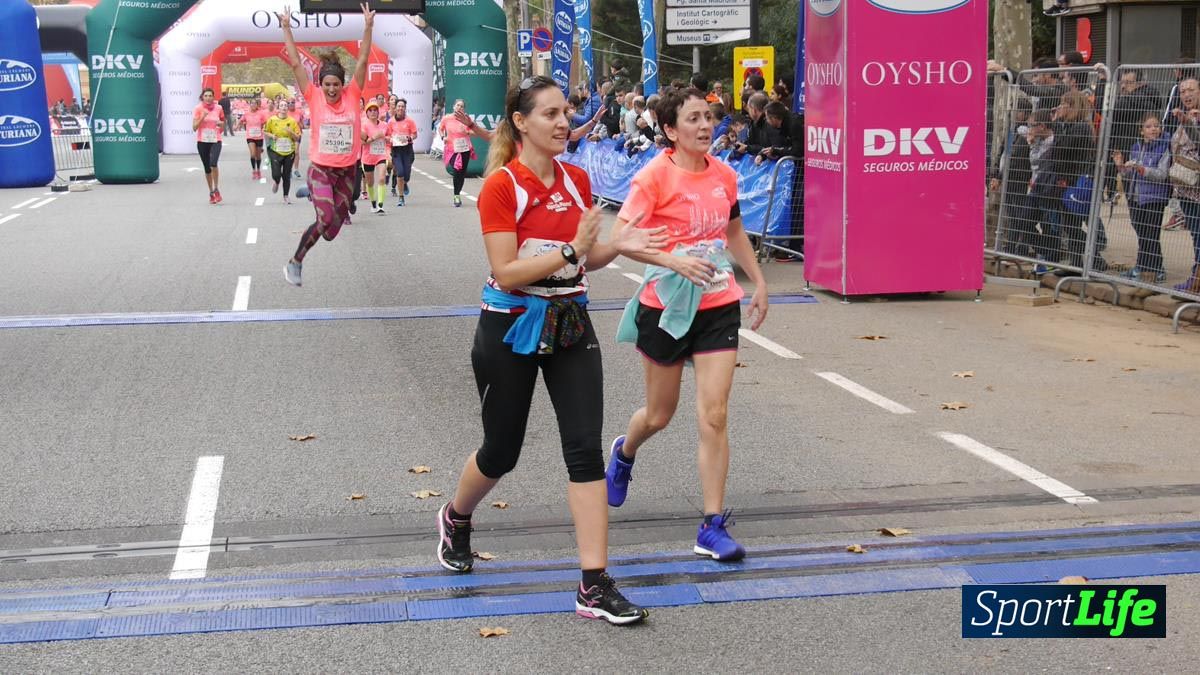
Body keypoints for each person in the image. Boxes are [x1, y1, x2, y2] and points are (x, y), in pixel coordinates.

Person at [436, 75, 665, 625]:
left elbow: (584, 261)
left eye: (566, 112)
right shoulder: (500, 185)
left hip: (569, 322)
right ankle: (456, 516)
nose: (564, 123)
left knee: (584, 450)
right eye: (551, 114)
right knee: (501, 452)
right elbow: (507, 270)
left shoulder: (578, 179)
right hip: (510, 324)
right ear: (521, 122)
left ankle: (594, 584)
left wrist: (619, 246)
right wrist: (571, 249)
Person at [605, 87, 770, 562]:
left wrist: (757, 281)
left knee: (714, 414)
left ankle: (711, 525)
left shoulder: (725, 175)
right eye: (693, 119)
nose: (705, 126)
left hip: (718, 304)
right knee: (659, 415)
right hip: (666, 306)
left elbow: (734, 230)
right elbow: (621, 238)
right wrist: (673, 262)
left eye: (708, 117)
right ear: (671, 130)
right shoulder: (654, 177)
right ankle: (625, 450)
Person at [279, 2, 374, 287]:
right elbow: (296, 63)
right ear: (320, 84)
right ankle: (295, 262)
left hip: (346, 171)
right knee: (325, 219)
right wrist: (286, 28)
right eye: (327, 84)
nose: (332, 89)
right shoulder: (313, 96)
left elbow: (363, 61)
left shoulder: (352, 93)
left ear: (343, 85)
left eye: (336, 84)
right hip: (321, 168)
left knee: (332, 231)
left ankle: (313, 193)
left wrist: (368, 28)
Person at [1114, 112, 1171, 284]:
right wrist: (1121, 166)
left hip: (1154, 197)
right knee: (1141, 233)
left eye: (1156, 126)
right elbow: (1129, 173)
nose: (1153, 129)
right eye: (1148, 126)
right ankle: (1142, 265)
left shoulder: (1165, 147)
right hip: (1135, 196)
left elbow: (1162, 174)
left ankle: (1156, 269)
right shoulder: (1136, 147)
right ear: (1141, 131)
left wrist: (1141, 169)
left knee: (1151, 234)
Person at [1168, 78, 1200, 294]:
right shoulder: (1182, 118)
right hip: (1185, 189)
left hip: (1198, 190)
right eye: (1182, 91)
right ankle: (1196, 279)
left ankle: (1195, 281)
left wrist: (1189, 123)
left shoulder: (1193, 119)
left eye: (1191, 90)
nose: (1186, 94)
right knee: (1196, 236)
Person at [439, 99, 489, 207]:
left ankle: (458, 193)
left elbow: (474, 133)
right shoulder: (447, 118)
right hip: (452, 149)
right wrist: (443, 137)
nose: (459, 107)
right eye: (458, 105)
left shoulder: (466, 119)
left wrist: (469, 132)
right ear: (453, 106)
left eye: (462, 106)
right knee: (456, 170)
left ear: (464, 109)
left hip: (464, 148)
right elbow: (440, 128)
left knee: (461, 173)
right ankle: (456, 195)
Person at [264, 102, 302, 204]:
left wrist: (291, 133)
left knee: (286, 175)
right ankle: (276, 181)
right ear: (278, 108)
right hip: (276, 150)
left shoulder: (292, 121)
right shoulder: (272, 120)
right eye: (281, 106)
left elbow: (298, 137)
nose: (284, 107)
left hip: (289, 151)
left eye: (285, 106)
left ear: (287, 109)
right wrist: (272, 136)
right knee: (276, 174)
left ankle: (286, 196)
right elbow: (265, 131)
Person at [193, 88, 225, 204]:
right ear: (202, 97)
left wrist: (221, 124)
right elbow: (194, 127)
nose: (208, 98)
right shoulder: (198, 108)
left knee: (213, 163)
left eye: (210, 95)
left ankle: (216, 188)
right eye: (206, 96)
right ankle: (211, 192)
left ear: (213, 97)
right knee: (207, 168)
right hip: (202, 141)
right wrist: (202, 116)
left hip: (215, 139)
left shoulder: (219, 108)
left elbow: (223, 123)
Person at [387, 98, 418, 206]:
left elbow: (415, 134)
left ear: (405, 108)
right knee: (400, 173)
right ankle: (401, 198)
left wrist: (409, 138)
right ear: (395, 108)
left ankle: (405, 183)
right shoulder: (391, 121)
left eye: (402, 106)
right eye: (399, 106)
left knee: (407, 175)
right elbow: (387, 135)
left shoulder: (410, 121)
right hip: (396, 150)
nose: (400, 108)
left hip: (407, 149)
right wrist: (390, 139)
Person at [360, 101, 390, 214]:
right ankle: (373, 203)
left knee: (382, 178)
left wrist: (386, 138)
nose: (373, 112)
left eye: (375, 110)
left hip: (381, 155)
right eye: (370, 110)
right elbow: (362, 142)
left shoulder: (384, 125)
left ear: (378, 112)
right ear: (367, 113)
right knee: (370, 182)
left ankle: (380, 205)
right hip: (368, 157)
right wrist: (374, 137)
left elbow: (389, 138)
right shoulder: (364, 125)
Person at [239, 98, 270, 180]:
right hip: (250, 137)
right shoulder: (246, 114)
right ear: (250, 105)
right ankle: (254, 170)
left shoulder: (261, 114)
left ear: (257, 105)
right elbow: (241, 120)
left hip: (259, 136)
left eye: (255, 103)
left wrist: (264, 128)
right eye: (252, 103)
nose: (253, 105)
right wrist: (237, 126)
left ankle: (258, 170)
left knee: (258, 156)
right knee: (253, 154)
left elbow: (265, 122)